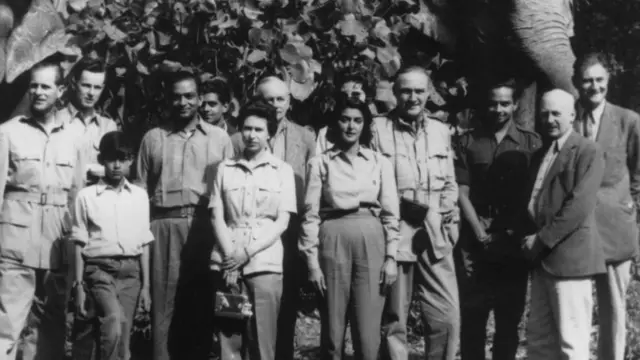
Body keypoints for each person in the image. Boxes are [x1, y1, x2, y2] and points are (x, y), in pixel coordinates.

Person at [136, 70, 233, 360]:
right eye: (176, 96)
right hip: (164, 224)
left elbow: (230, 191)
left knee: (202, 304)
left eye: (189, 96)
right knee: (164, 304)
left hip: (205, 226)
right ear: (167, 99)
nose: (183, 102)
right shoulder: (153, 138)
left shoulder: (219, 139)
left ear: (200, 98)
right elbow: (140, 193)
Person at [300, 96, 400, 360]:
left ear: (364, 124)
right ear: (336, 123)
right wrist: (312, 262)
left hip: (371, 237)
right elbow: (310, 215)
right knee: (332, 330)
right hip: (332, 237)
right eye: (345, 119)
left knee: (367, 332)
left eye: (357, 120)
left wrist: (391, 257)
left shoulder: (380, 162)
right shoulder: (320, 163)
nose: (351, 126)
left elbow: (391, 214)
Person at [371, 66, 460, 360]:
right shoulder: (377, 129)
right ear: (395, 94)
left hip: (435, 235)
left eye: (419, 91)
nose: (413, 97)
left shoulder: (440, 130)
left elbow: (449, 182)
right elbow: (375, 185)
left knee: (447, 317)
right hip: (396, 236)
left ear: (429, 93)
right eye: (406, 91)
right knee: (394, 319)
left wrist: (448, 218)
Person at [0, 60, 85, 360]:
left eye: (45, 86)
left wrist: (76, 251)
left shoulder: (75, 137)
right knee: (6, 325)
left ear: (61, 91)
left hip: (56, 244)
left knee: (51, 326)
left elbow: (78, 198)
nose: (37, 92)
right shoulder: (8, 133)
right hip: (14, 242)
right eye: (33, 85)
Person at [454, 79, 541, 360]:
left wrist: (509, 231)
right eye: (493, 103)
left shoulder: (531, 142)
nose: (499, 109)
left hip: (513, 238)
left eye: (505, 103)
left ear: (515, 105)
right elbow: (461, 192)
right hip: (474, 236)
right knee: (473, 316)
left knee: (508, 317)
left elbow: (533, 195)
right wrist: (480, 233)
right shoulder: (468, 141)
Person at [231, 75, 315, 360]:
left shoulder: (305, 137)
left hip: (289, 232)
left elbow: (313, 187)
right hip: (247, 231)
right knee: (239, 305)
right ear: (257, 101)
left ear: (289, 101)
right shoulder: (238, 139)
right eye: (268, 99)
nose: (276, 105)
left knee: (285, 302)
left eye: (281, 99)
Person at [210, 100, 297, 360]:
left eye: (259, 129)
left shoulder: (282, 171)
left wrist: (246, 253)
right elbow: (216, 215)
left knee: (262, 340)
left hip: (264, 264)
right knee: (230, 337)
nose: (252, 135)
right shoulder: (225, 169)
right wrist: (230, 258)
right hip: (228, 265)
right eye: (247, 128)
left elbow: (282, 221)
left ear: (269, 132)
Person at [522, 89, 605, 360]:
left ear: (572, 114)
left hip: (569, 260)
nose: (549, 119)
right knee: (538, 341)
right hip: (542, 260)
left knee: (572, 344)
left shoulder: (587, 151)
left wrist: (541, 239)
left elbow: (579, 206)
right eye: (544, 113)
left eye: (556, 113)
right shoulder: (541, 154)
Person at [572, 52, 640, 360]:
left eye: (599, 80)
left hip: (615, 228)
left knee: (613, 305)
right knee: (578, 304)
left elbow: (638, 175)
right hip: (578, 230)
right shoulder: (568, 119)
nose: (594, 86)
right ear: (578, 83)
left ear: (608, 81)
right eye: (587, 80)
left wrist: (626, 206)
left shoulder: (629, 121)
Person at [70, 131, 153, 360]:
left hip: (130, 273)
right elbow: (79, 241)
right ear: (102, 160)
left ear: (131, 160)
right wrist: (78, 285)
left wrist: (146, 286)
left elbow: (144, 241)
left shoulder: (139, 196)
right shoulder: (87, 196)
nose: (117, 165)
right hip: (99, 270)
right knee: (113, 320)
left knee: (123, 339)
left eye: (123, 158)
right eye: (111, 158)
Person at [56, 56, 119, 185]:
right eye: (86, 86)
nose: (91, 93)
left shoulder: (108, 126)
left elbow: (116, 169)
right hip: (63, 198)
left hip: (97, 199)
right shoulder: (56, 120)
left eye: (97, 88)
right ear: (74, 83)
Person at [315, 74, 378, 154]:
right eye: (344, 95)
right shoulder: (325, 133)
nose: (349, 99)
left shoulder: (378, 129)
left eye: (355, 95)